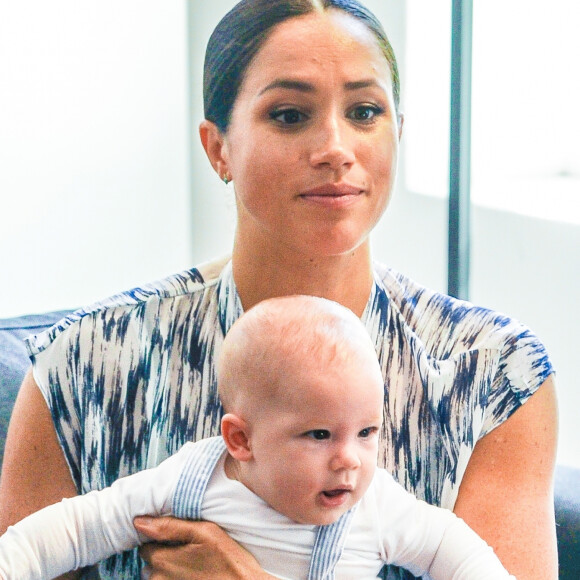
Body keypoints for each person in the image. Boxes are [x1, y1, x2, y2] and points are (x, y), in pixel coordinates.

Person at [0, 0, 558, 579]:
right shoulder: (84, 365)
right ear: (219, 148)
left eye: (365, 111)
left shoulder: (493, 376)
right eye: (290, 115)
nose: (336, 148)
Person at [0, 296, 515, 580]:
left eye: (367, 433)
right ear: (240, 440)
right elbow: (78, 526)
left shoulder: (377, 506)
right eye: (319, 435)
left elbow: (459, 554)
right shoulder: (191, 479)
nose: (349, 461)